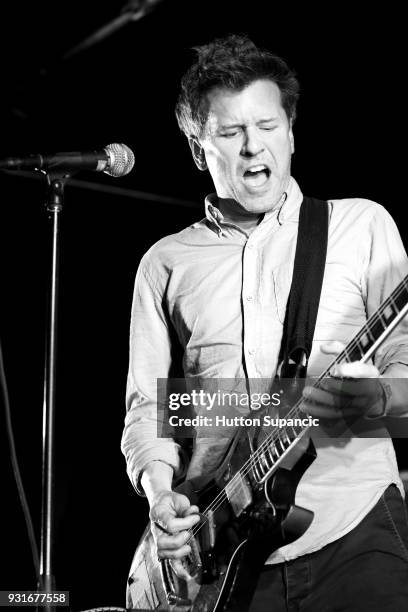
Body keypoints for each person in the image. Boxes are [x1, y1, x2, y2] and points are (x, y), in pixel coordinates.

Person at [121, 34, 408, 611]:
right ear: (200, 149)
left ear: (292, 131)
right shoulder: (165, 262)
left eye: (268, 125)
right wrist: (159, 493)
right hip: (221, 557)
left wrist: (364, 400)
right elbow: (153, 409)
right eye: (231, 133)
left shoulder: (361, 226)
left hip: (353, 528)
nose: (254, 146)